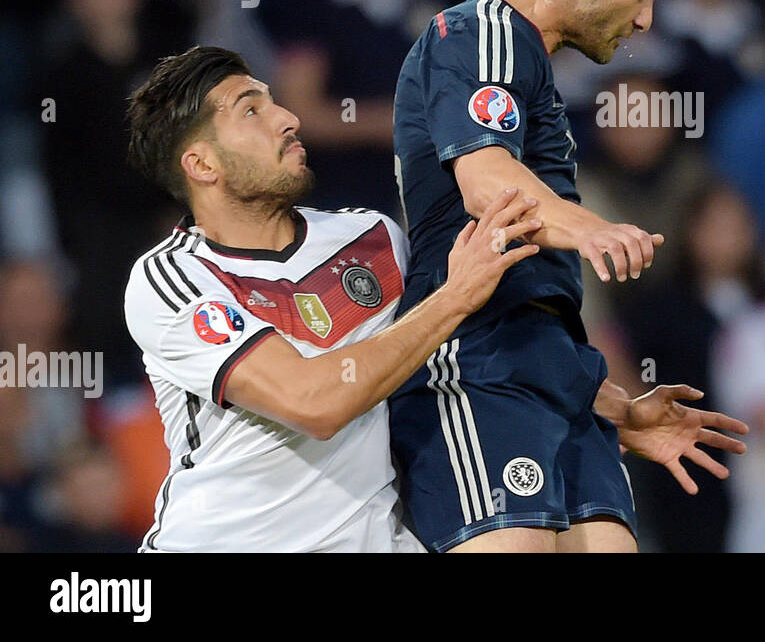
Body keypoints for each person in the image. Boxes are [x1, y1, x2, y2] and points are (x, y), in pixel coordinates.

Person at [124, 45, 729, 551]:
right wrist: (453, 297)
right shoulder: (174, 280)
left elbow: (466, 360)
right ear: (201, 163)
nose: (287, 117)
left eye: (273, 100)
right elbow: (314, 402)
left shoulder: (371, 237)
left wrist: (616, 409)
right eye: (251, 110)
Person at [390, 0, 749, 553]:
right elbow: (486, 184)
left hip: (556, 380)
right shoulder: (482, 30)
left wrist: (616, 404)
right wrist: (593, 228)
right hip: (475, 368)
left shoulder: (532, 74)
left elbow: (536, 296)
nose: (645, 20)